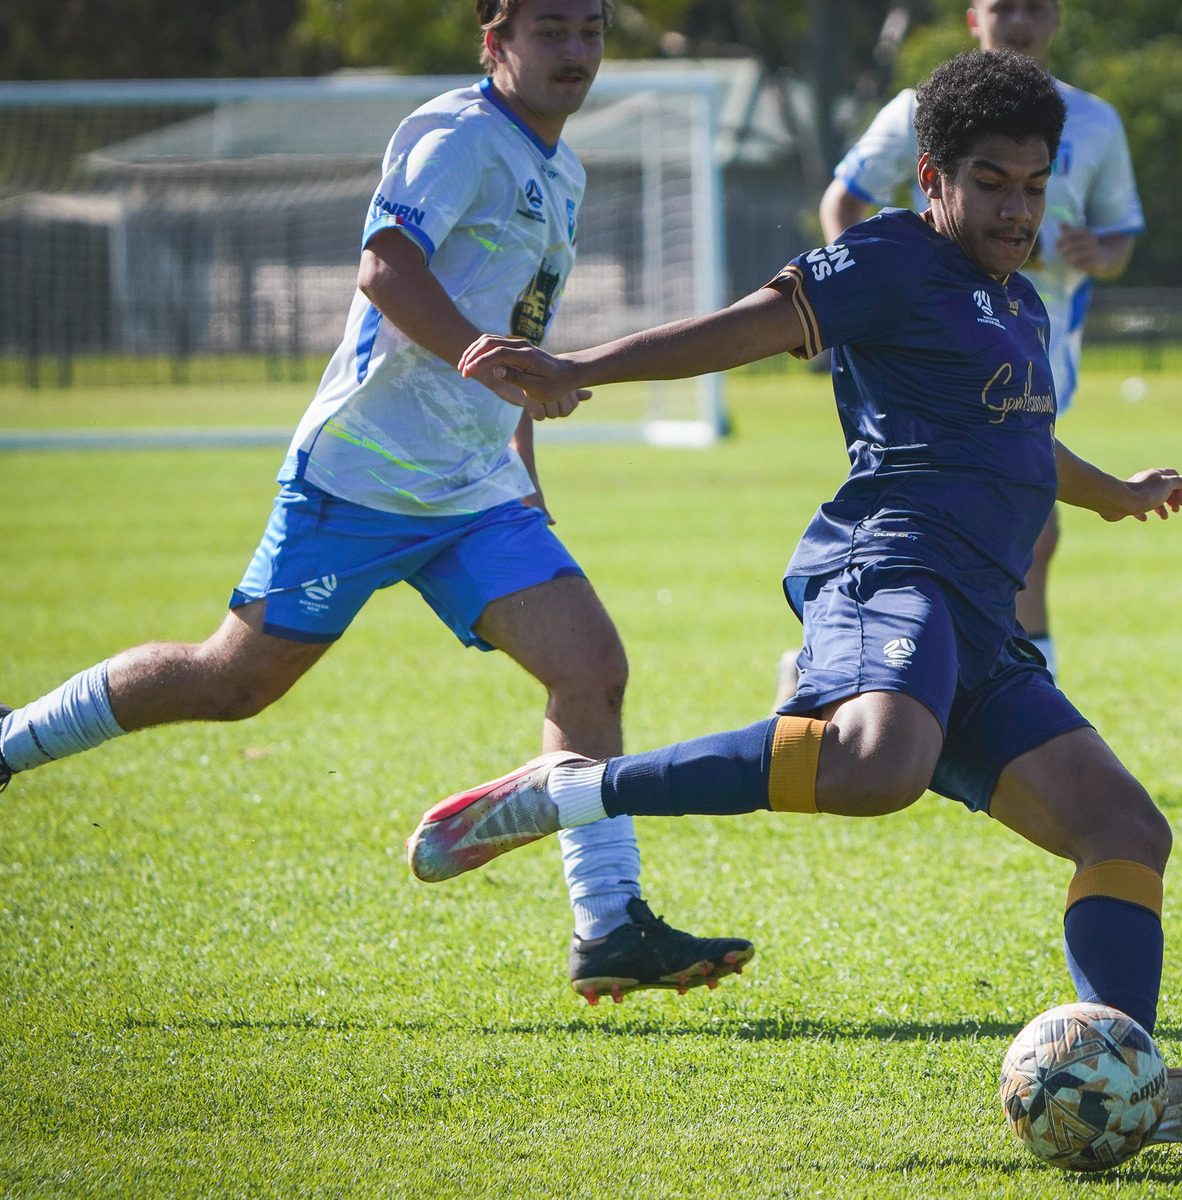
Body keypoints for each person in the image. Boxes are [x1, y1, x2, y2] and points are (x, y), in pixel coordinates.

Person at [408, 50, 1182, 1146]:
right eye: (990, 181)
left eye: (1033, 182)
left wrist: (1109, 494)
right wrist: (580, 361)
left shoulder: (1012, 300)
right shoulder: (886, 257)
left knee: (1123, 829)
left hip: (981, 619)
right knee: (877, 768)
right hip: (891, 568)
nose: (1016, 207)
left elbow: (1012, 433)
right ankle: (575, 792)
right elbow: (743, 325)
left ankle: (1125, 1081)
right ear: (932, 176)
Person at [0, 0, 751, 1005]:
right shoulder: (454, 136)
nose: (575, 52)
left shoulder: (558, 170)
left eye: (588, 31)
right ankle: (8, 743)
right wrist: (479, 357)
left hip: (475, 491)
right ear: (497, 44)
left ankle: (608, 926)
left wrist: (521, 461)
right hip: (360, 475)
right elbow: (384, 266)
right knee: (232, 684)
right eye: (550, 31)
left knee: (591, 671)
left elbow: (515, 334)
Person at [802, 0, 1143, 684]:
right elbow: (844, 199)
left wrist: (1092, 251)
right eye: (1002, 6)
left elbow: (1121, 241)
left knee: (1007, 529)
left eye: (1035, 7)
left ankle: (873, 665)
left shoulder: (1096, 121)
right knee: (1022, 525)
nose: (1018, 22)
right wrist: (861, 302)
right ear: (970, 17)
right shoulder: (918, 108)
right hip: (937, 352)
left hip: (1038, 354)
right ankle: (1020, 688)